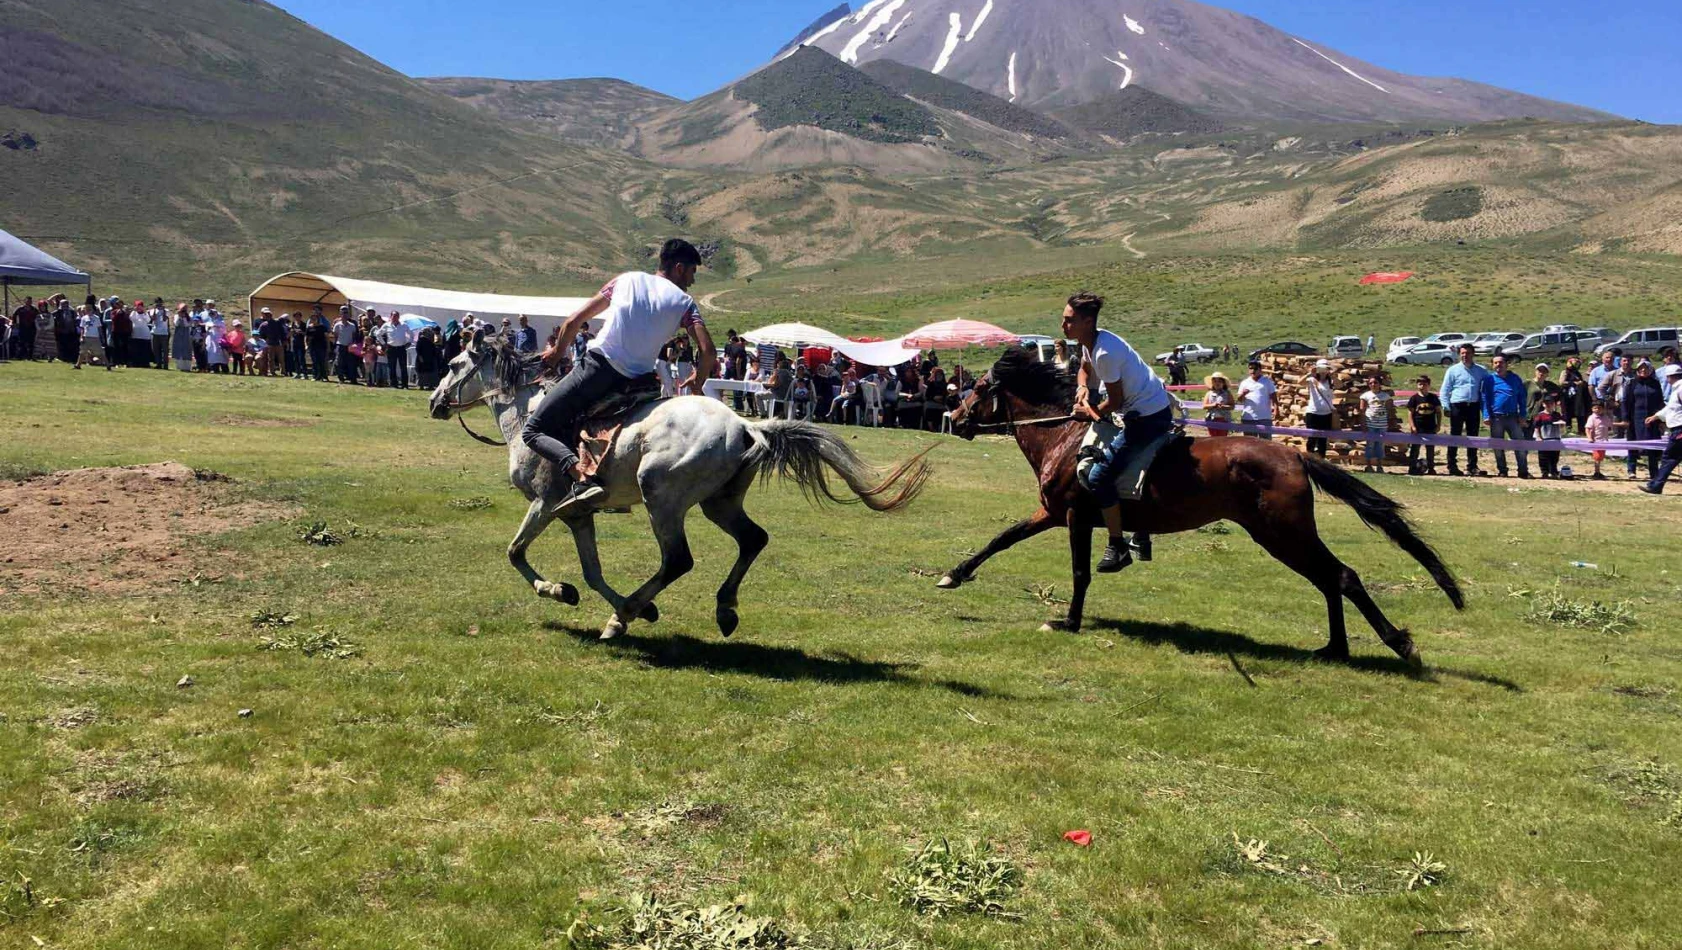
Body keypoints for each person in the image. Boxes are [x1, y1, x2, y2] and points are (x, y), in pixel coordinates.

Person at [523, 238, 715, 513]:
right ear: (680, 268)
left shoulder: (625, 281)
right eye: (693, 273)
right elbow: (707, 351)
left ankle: (580, 477)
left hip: (598, 371)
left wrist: (555, 355)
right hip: (642, 384)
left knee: (533, 430)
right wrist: (698, 383)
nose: (692, 281)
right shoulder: (685, 303)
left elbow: (573, 322)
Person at [1064, 291, 1175, 575]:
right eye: (1064, 320)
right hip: (1142, 410)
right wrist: (1082, 388)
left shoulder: (1106, 351)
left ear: (1087, 322)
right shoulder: (1092, 343)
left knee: (1099, 476)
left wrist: (1087, 412)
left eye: (1069, 321)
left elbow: (1114, 402)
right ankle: (1141, 533)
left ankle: (1118, 545)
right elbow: (1084, 369)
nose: (1063, 326)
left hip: (1147, 418)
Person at [1441, 343, 1490, 476]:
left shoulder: (1482, 371)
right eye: (1462, 353)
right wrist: (1445, 406)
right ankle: (1452, 465)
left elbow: (1488, 389)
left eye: (1467, 353)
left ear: (1473, 354)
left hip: (1473, 406)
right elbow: (1445, 390)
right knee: (1455, 435)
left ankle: (1472, 466)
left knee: (1473, 436)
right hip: (1457, 406)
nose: (1465, 355)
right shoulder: (1452, 370)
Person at [1481, 353, 1530, 479]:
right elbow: (1485, 398)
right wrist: (1486, 415)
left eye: (1501, 362)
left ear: (1507, 364)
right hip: (1496, 417)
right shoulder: (1489, 380)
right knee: (1497, 445)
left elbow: (1522, 398)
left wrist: (1523, 414)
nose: (1499, 365)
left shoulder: (1515, 378)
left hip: (1513, 417)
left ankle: (1523, 470)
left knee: (1519, 444)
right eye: (1496, 363)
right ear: (1493, 365)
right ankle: (1502, 470)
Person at [1620, 361, 1666, 481]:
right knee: (1633, 443)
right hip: (1635, 417)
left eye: (1646, 369)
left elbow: (1660, 401)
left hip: (1652, 418)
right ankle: (1631, 470)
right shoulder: (1631, 383)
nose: (1643, 371)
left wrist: (1661, 418)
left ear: (1650, 370)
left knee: (1652, 445)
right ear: (1637, 370)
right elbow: (1625, 401)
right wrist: (1625, 418)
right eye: (1641, 369)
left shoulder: (1655, 384)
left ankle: (1653, 472)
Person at [1639, 368, 1682, 495]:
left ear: (1669, 377)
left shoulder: (1680, 389)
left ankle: (1655, 486)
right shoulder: (1676, 390)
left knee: (1669, 457)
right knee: (1671, 458)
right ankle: (1655, 485)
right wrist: (1656, 416)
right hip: (1677, 428)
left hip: (1680, 428)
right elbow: (1670, 408)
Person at [1406, 374, 1443, 475]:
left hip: (1431, 427)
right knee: (1415, 449)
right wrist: (1412, 426)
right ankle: (1412, 467)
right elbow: (1410, 413)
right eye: (1420, 384)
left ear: (1429, 385)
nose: (1422, 386)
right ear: (1417, 385)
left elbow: (1439, 412)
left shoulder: (1433, 398)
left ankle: (1431, 468)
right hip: (1417, 428)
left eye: (1424, 384)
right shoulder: (1414, 398)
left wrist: (1438, 425)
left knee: (1430, 449)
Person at [1359, 375, 1393, 473]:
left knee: (1380, 445)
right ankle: (1368, 465)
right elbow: (1362, 410)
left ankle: (1379, 465)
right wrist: (1363, 424)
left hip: (1382, 424)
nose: (1373, 385)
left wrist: (1389, 422)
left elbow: (1390, 409)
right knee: (1370, 444)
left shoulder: (1385, 396)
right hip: (1370, 423)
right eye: (1371, 383)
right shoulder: (1365, 396)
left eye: (1375, 382)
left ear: (1379, 384)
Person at [1235, 361, 1276, 438]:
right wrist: (1243, 394)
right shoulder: (1244, 383)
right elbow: (1239, 400)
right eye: (1250, 369)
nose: (1252, 371)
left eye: (1255, 369)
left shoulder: (1267, 382)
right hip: (1249, 417)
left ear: (1260, 370)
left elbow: (1274, 397)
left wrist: (1277, 410)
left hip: (1264, 417)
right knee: (1250, 443)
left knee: (1266, 442)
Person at [1304, 359, 1336, 457]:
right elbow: (1300, 382)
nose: (1323, 371)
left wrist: (1333, 374)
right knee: (1312, 437)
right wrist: (1310, 373)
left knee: (1323, 439)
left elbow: (1340, 385)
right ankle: (1309, 458)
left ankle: (1321, 459)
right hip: (1313, 412)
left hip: (1326, 413)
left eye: (1325, 368)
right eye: (1321, 368)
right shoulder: (1312, 380)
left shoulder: (1331, 380)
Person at [1532, 393, 1566, 479]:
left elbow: (1562, 425)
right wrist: (1538, 437)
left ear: (1554, 404)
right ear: (1543, 404)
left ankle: (1553, 471)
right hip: (1544, 439)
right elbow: (1536, 427)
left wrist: (1562, 425)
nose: (1549, 405)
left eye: (1551, 403)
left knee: (1554, 456)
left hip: (1555, 438)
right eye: (1546, 403)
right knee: (1543, 456)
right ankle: (1545, 472)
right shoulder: (1540, 415)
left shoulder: (1557, 415)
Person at [1560, 357, 1591, 435]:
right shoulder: (1565, 372)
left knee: (1580, 412)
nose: (1576, 364)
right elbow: (1561, 382)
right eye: (1575, 362)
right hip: (1568, 396)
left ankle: (1581, 429)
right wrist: (1573, 383)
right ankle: (1568, 429)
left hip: (1578, 396)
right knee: (1567, 413)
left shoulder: (1577, 373)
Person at [1585, 401, 1612, 480]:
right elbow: (1587, 429)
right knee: (1597, 457)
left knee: (1600, 457)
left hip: (1604, 440)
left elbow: (1609, 425)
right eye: (1595, 408)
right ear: (1592, 409)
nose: (1597, 410)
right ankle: (1596, 472)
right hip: (1596, 440)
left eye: (1599, 408)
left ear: (1603, 409)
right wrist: (1589, 438)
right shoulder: (1592, 418)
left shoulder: (1605, 417)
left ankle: (1598, 471)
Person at [385, 312, 413, 389]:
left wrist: (409, 342)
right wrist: (383, 343)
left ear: (399, 317)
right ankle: (394, 384)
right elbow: (378, 334)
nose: (395, 318)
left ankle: (405, 385)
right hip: (391, 348)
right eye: (393, 316)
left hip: (401, 348)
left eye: (396, 316)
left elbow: (411, 334)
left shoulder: (404, 325)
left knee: (403, 367)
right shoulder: (387, 325)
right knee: (392, 367)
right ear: (390, 316)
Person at [1202, 372, 1234, 437]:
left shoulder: (1228, 393)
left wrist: (1223, 406)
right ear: (1212, 383)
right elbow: (1204, 406)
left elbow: (1232, 406)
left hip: (1223, 419)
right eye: (1215, 381)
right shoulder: (1209, 393)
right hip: (1211, 419)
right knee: (1213, 438)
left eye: (1219, 381)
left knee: (1222, 438)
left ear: (1223, 383)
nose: (1217, 383)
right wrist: (1213, 405)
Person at [51, 296, 78, 366]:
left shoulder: (72, 312)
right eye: (63, 304)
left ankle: (72, 358)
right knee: (62, 346)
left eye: (66, 304)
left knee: (71, 346)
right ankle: (63, 358)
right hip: (61, 332)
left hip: (71, 332)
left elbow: (76, 320)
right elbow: (51, 318)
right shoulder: (56, 312)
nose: (64, 306)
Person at [11, 295, 39, 361]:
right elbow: (14, 315)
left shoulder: (34, 309)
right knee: (21, 342)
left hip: (32, 328)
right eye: (27, 301)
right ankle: (20, 356)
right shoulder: (20, 309)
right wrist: (15, 323)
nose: (29, 302)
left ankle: (30, 356)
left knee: (31, 343)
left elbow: (38, 317)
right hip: (22, 328)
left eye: (30, 301)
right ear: (25, 301)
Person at [148, 298, 170, 369]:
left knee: (165, 350)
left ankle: (165, 365)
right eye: (157, 302)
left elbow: (164, 319)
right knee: (156, 349)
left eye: (160, 302)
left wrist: (163, 310)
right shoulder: (152, 311)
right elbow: (153, 319)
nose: (159, 304)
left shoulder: (166, 311)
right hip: (155, 332)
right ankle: (158, 364)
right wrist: (155, 310)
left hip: (164, 333)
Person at [171, 305, 194, 371]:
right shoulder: (176, 316)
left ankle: (187, 367)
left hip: (186, 335)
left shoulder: (189, 317)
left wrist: (184, 318)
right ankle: (180, 366)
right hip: (178, 334)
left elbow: (187, 325)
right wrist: (179, 317)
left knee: (186, 349)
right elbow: (176, 324)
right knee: (179, 349)